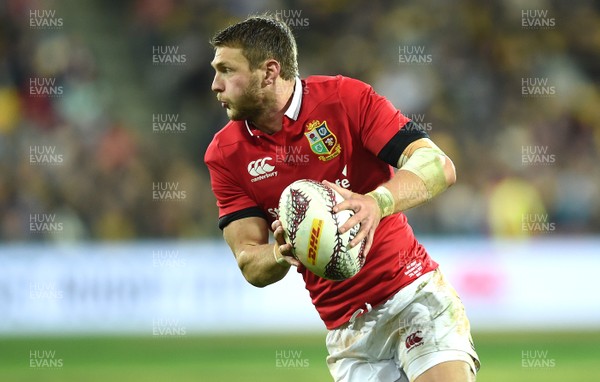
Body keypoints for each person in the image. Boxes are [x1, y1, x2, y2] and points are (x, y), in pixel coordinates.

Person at [204, 14, 480, 382]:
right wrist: (281, 251)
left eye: (226, 70)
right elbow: (248, 261)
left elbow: (437, 165)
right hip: (349, 334)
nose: (215, 85)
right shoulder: (224, 153)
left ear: (269, 72)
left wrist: (375, 202)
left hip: (413, 295)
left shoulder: (345, 99)